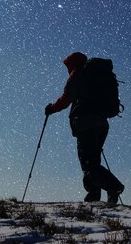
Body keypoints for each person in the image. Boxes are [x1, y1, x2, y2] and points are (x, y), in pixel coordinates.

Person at [45, 52, 124, 204]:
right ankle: (94, 196)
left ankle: (113, 187)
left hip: (86, 124)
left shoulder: (78, 74)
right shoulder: (95, 76)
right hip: (102, 124)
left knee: (89, 163)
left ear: (73, 63)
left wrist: (51, 109)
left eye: (68, 65)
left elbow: (66, 99)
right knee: (92, 161)